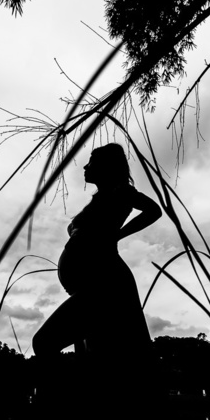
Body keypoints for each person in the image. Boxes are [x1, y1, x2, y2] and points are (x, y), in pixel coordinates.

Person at [32, 143, 162, 358]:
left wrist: (116, 235)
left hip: (104, 284)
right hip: (89, 285)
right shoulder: (100, 200)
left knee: (45, 342)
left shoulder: (121, 191)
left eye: (91, 160)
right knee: (98, 355)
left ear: (106, 166)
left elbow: (153, 211)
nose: (85, 166)